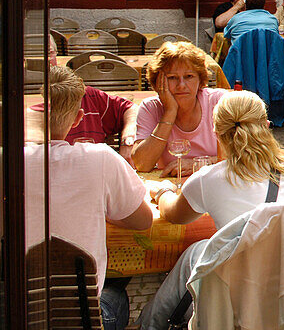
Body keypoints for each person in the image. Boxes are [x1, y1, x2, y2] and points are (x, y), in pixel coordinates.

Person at [139, 91, 284, 330]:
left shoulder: (208, 179)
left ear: (216, 133)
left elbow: (173, 215)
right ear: (267, 127)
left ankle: (151, 325)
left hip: (240, 298)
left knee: (197, 252)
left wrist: (162, 191)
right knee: (199, 251)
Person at [25, 66, 153, 330]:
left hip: (22, 312)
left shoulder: (11, 161)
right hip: (85, 319)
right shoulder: (100, 157)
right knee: (116, 290)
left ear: (38, 114)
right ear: (78, 118)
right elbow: (143, 221)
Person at [132, 41, 231, 173]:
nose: (181, 85)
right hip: (171, 189)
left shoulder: (219, 102)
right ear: (158, 82)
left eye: (189, 76)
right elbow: (142, 164)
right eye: (172, 78)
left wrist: (200, 164)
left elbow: (248, 154)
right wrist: (170, 112)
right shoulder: (150, 107)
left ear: (200, 80)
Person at [43, 35, 140, 156]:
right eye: (32, 55)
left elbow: (130, 109)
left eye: (49, 52)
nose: (43, 59)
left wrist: (128, 140)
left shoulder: (84, 95)